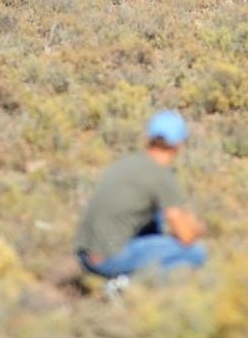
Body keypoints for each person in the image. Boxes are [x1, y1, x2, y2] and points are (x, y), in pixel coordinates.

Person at [75, 110, 207, 287]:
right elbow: (185, 236)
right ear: (178, 145)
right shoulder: (160, 174)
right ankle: (129, 286)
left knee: (155, 216)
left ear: (148, 138)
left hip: (84, 256)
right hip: (108, 259)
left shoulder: (127, 164)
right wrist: (197, 228)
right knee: (196, 254)